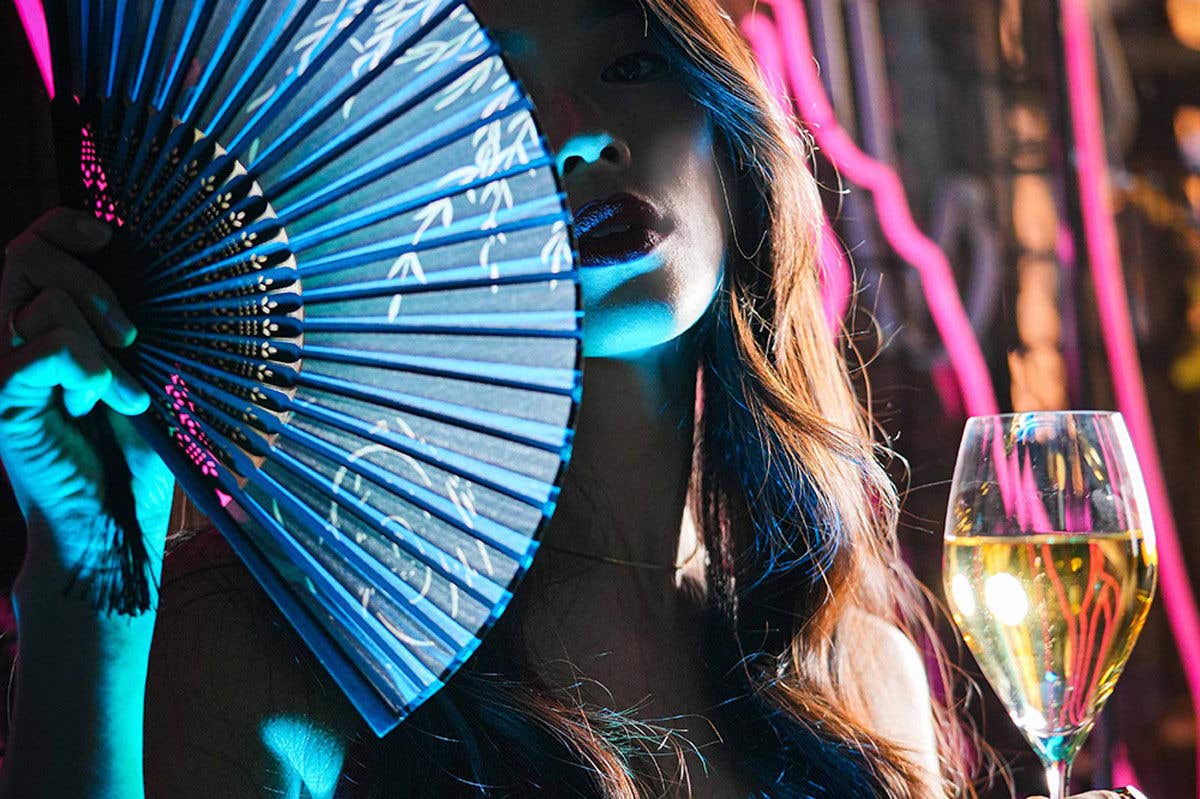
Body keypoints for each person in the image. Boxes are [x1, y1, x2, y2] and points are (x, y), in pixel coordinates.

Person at [0, 0, 1145, 797]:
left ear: (727, 128)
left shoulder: (860, 675)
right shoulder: (282, 644)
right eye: (501, 90)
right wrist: (88, 593)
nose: (577, 131)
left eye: (629, 63)